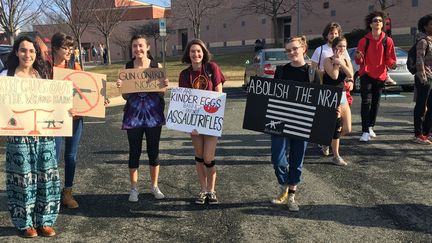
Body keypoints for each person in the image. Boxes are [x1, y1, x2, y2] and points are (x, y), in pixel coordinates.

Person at [3, 35, 60, 237]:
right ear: (16, 52)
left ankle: (44, 221)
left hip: (44, 135)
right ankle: (24, 223)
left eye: (32, 51)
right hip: (18, 136)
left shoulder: (42, 76)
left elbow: (55, 105)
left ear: (36, 54)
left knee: (46, 177)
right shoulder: (6, 76)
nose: (27, 54)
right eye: (23, 50)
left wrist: (67, 110)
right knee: (22, 179)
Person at [116, 35, 169, 202]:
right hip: (134, 116)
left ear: (147, 48)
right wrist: (121, 87)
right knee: (134, 152)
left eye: (140, 46)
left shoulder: (156, 66)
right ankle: (134, 188)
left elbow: (161, 93)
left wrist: (164, 86)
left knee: (154, 152)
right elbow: (125, 96)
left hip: (153, 116)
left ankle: (154, 186)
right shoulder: (128, 67)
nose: (137, 49)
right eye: (134, 46)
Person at [271, 36, 319, 211]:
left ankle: (291, 194)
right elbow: (273, 96)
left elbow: (320, 100)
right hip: (280, 120)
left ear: (303, 48)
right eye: (288, 50)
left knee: (297, 159)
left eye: (295, 48)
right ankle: (283, 184)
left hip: (302, 121)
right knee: (277, 159)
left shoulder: (312, 72)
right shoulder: (281, 71)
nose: (291, 52)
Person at [178, 39, 225, 204]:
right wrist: (187, 123)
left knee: (208, 157)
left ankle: (212, 190)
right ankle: (203, 190)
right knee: (198, 156)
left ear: (204, 52)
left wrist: (217, 116)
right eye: (192, 51)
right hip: (194, 121)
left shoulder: (212, 68)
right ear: (188, 54)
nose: (196, 54)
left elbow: (219, 93)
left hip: (210, 119)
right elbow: (183, 100)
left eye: (199, 51)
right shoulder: (185, 74)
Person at [49, 32, 83, 209]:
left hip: (75, 118)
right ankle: (53, 193)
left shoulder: (75, 66)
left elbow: (84, 90)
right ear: (54, 48)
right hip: (54, 119)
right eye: (65, 47)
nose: (69, 50)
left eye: (71, 47)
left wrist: (99, 100)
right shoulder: (47, 69)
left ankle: (67, 192)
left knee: (71, 156)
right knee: (53, 157)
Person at [311, 22, 352, 156]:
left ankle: (327, 140)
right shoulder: (320, 50)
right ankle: (331, 147)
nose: (333, 35)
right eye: (331, 33)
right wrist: (322, 74)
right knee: (331, 122)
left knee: (346, 128)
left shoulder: (343, 50)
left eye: (336, 33)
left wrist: (350, 80)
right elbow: (313, 70)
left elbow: (350, 71)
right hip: (326, 89)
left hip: (341, 90)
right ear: (326, 34)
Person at [355, 11, 397, 142]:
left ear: (382, 23)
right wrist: (358, 58)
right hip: (366, 74)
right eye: (375, 20)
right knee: (366, 102)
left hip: (380, 76)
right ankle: (365, 131)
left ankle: (371, 126)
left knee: (376, 102)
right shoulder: (363, 40)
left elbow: (390, 59)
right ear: (370, 24)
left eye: (380, 20)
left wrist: (393, 65)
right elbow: (358, 61)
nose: (378, 22)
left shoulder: (388, 40)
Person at [323, 36, 354, 165]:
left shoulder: (346, 60)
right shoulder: (327, 60)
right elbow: (334, 76)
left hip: (342, 94)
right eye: (340, 46)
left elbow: (350, 75)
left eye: (344, 46)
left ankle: (327, 140)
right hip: (330, 95)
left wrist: (341, 62)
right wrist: (336, 62)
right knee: (336, 126)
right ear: (334, 47)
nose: (342, 49)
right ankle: (336, 156)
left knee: (347, 128)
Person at [413, 14, 432, 144]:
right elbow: (419, 60)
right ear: (425, 27)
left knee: (431, 106)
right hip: (424, 78)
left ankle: (427, 132)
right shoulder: (423, 41)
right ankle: (418, 134)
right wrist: (423, 77)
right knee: (421, 106)